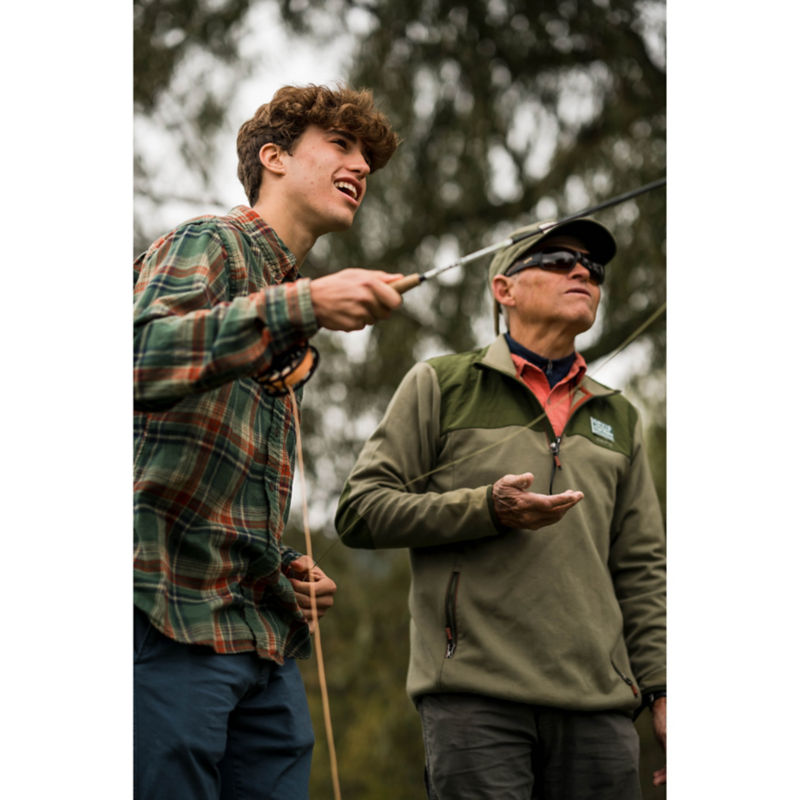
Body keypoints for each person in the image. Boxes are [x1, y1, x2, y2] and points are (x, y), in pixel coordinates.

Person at [133, 84, 403, 799]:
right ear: (273, 158)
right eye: (341, 145)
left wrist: (282, 563)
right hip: (167, 614)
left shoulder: (293, 307)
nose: (362, 166)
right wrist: (303, 303)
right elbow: (137, 359)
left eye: (367, 156)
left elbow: (224, 477)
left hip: (260, 630)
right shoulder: (208, 243)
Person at [335, 217, 666, 799]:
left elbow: (642, 569)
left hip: (601, 712)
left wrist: (664, 692)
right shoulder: (439, 384)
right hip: (475, 706)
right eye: (559, 260)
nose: (582, 272)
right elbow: (360, 511)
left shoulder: (620, 416)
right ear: (503, 289)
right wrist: (486, 508)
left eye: (593, 267)